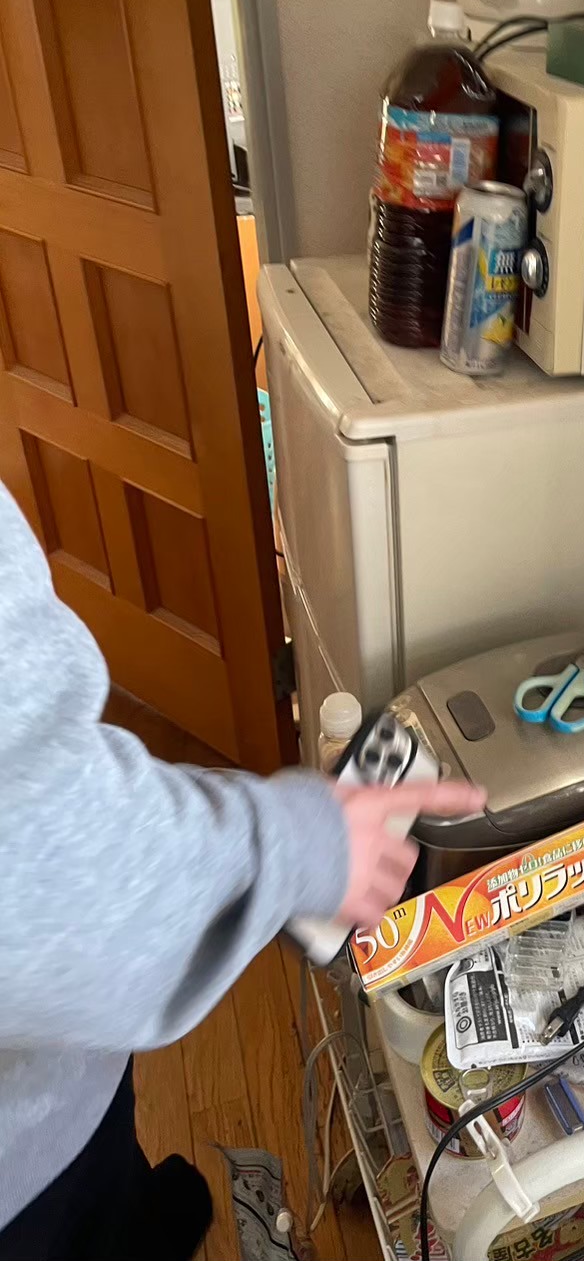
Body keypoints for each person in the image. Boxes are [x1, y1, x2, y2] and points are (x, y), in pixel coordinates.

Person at [0, 482, 484, 1260]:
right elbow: (48, 864)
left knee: (110, 1166)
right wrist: (307, 841)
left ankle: (127, 1206)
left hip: (42, 1080)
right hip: (20, 1188)